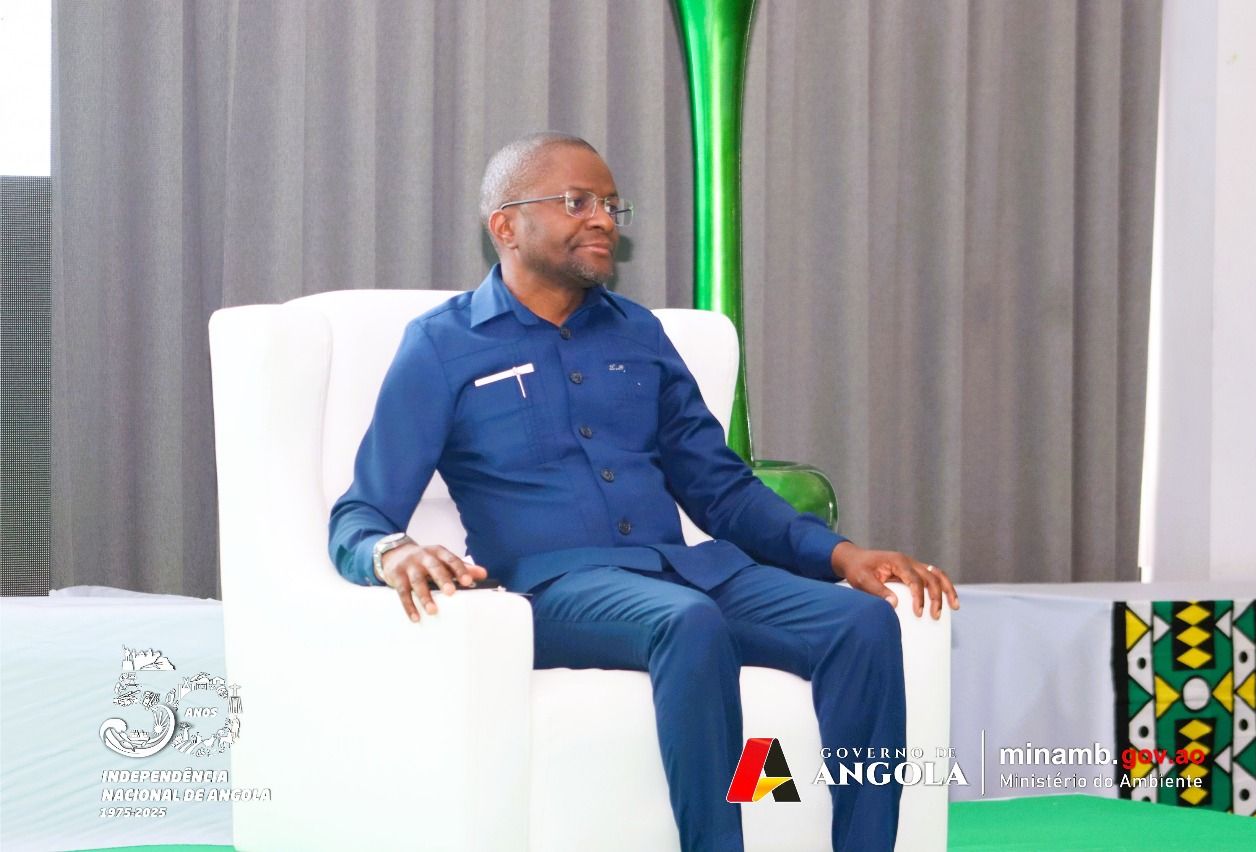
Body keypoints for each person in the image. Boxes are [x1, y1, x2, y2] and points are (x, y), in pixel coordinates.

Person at [329, 132, 958, 852]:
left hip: (682, 571)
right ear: (506, 225)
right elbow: (362, 511)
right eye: (577, 202)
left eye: (611, 205)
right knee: (686, 622)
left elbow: (721, 489)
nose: (603, 219)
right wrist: (391, 551)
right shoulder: (442, 346)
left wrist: (841, 555)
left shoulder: (639, 333)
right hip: (552, 588)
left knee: (861, 623)